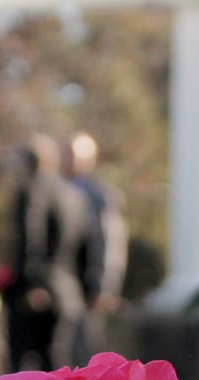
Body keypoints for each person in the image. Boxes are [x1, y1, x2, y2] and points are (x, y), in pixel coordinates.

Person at [5, 133, 100, 372]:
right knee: (60, 365)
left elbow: (32, 239)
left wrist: (33, 284)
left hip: (37, 294)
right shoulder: (75, 195)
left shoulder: (32, 190)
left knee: (24, 370)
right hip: (68, 294)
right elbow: (88, 247)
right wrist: (88, 289)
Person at [65, 131, 128, 360]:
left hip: (87, 287)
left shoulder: (98, 195)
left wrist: (103, 286)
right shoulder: (58, 189)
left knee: (86, 351)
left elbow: (108, 241)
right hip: (65, 287)